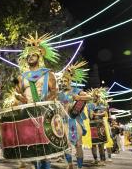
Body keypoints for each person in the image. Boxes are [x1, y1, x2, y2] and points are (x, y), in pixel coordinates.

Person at [14, 32, 60, 169]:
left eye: (33, 55)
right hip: (28, 113)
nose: (30, 57)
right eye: (28, 55)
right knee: (33, 146)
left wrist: (44, 103)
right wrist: (22, 100)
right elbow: (16, 92)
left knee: (45, 146)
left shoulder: (48, 73)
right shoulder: (21, 76)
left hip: (44, 112)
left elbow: (55, 91)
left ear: (39, 57)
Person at [58, 61, 91, 169]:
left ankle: (80, 167)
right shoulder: (59, 94)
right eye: (61, 81)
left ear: (70, 81)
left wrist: (77, 97)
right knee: (65, 145)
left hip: (74, 121)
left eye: (65, 81)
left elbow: (88, 97)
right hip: (63, 122)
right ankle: (70, 165)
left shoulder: (77, 90)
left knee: (78, 145)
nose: (63, 83)